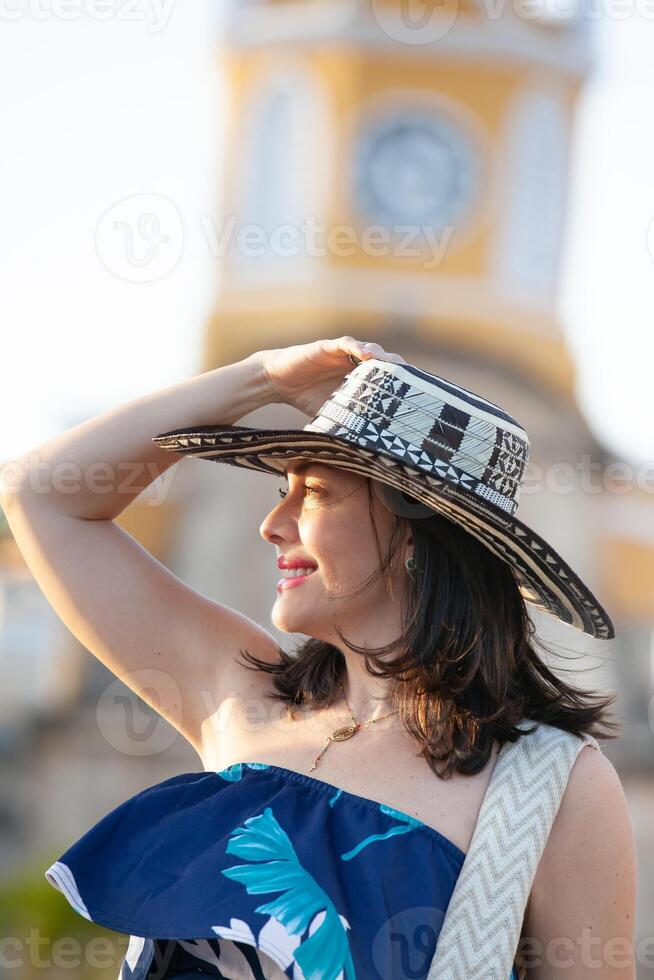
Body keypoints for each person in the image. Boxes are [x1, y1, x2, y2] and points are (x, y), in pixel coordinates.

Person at [0, 337, 637, 980]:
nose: (273, 523)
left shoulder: (551, 786)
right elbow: (39, 495)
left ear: (415, 525)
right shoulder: (242, 695)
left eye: (313, 492)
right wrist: (259, 379)